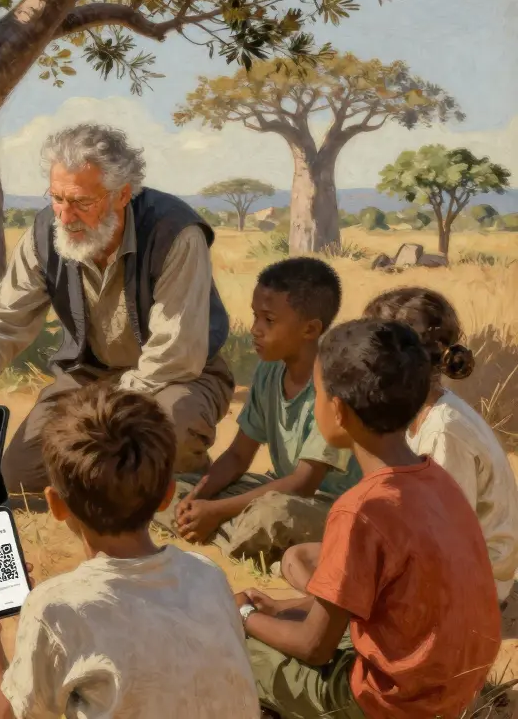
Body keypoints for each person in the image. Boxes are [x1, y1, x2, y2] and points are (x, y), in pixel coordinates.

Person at [0, 124, 234, 504]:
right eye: (56, 197)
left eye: (80, 202)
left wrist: (97, 417)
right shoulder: (45, 233)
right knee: (19, 478)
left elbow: (175, 354)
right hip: (90, 377)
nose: (64, 214)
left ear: (121, 195)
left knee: (168, 430)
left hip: (178, 377)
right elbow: (3, 316)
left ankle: (182, 488)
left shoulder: (174, 232)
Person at [0, 384, 259, 718]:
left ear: (55, 504)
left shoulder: (55, 607)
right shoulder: (206, 574)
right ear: (167, 495)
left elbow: (8, 716)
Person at [240, 319, 500, 718]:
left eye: (317, 395)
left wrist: (244, 616)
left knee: (240, 646)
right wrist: (279, 609)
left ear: (339, 411)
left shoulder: (360, 508)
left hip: (389, 705)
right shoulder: (438, 481)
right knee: (288, 623)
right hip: (457, 689)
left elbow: (314, 646)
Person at [156, 258, 362, 562]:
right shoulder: (269, 371)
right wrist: (197, 498)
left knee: (274, 515)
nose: (255, 330)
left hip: (327, 503)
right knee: (166, 491)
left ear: (310, 329)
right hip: (276, 488)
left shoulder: (332, 384)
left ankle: (225, 531)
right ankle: (228, 533)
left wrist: (216, 510)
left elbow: (303, 483)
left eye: (268, 320)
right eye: (255, 317)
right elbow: (239, 455)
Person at [360, 287, 518, 604]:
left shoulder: (445, 428)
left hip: (474, 581)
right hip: (445, 559)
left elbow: (446, 535)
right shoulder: (417, 413)